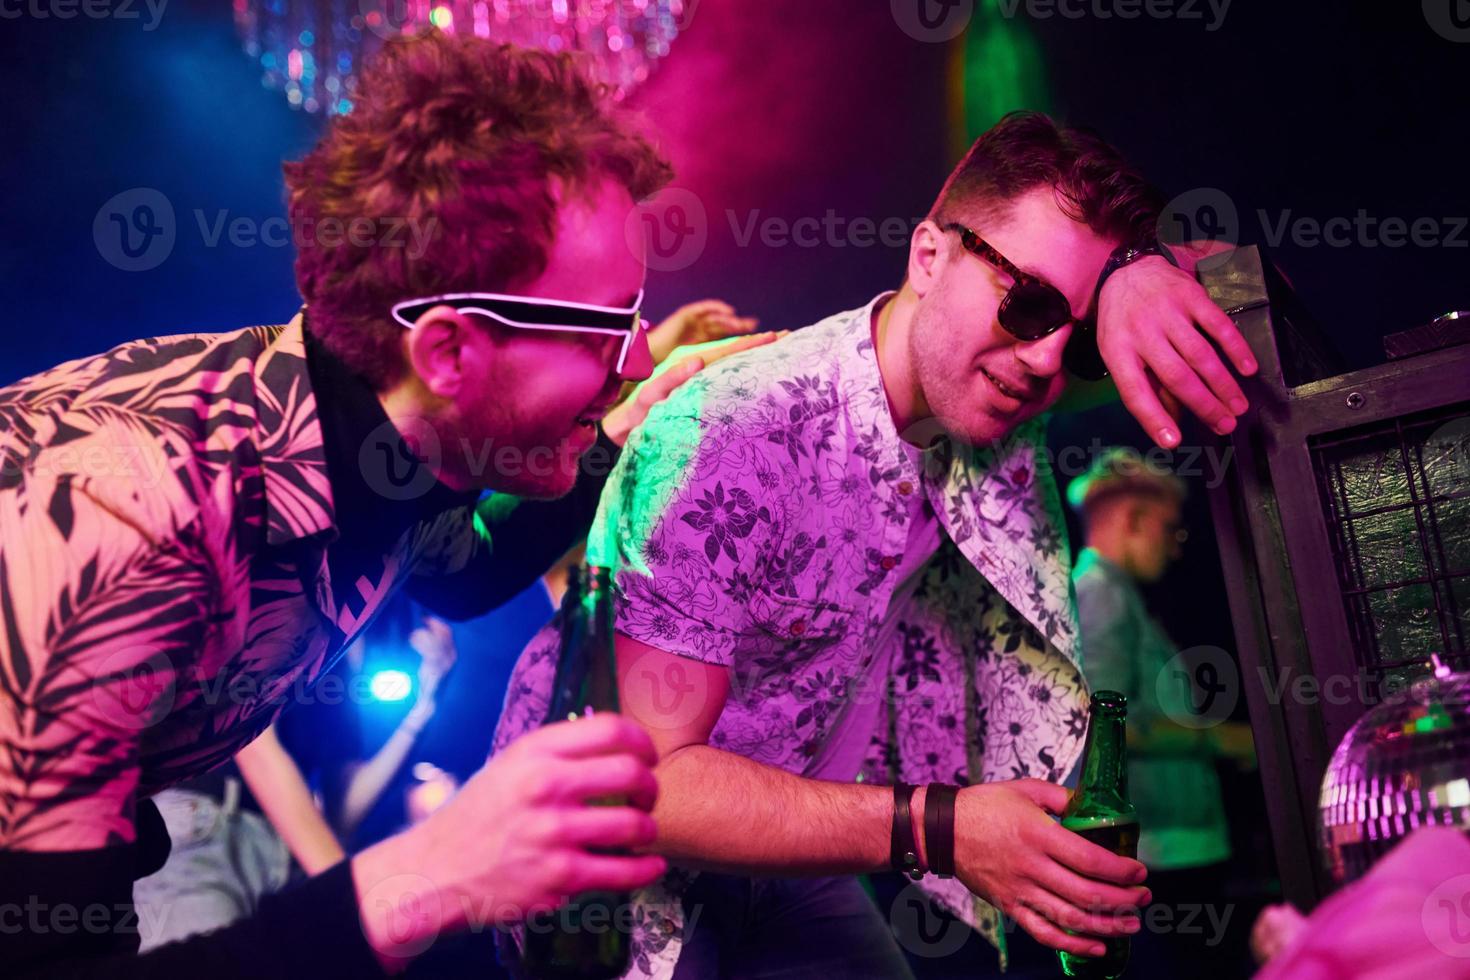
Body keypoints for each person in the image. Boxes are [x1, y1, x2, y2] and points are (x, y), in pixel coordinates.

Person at [0, 32, 774, 977]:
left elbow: (456, 569)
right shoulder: (118, 518)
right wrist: (433, 868)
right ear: (447, 352)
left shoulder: (371, 435)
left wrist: (623, 429)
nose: (640, 358)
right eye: (607, 329)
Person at [493, 110, 1262, 977]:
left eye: (1072, 336)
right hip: (607, 869)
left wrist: (1136, 272)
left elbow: (1210, 311)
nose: (1047, 359)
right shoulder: (741, 430)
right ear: (928, 256)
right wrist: (945, 827)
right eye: (1030, 302)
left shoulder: (992, 412)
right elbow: (650, 782)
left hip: (777, 845)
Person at [1068, 447, 1257, 977]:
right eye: (1170, 530)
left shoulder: (1114, 594)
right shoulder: (1101, 594)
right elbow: (1101, 725)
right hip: (1158, 853)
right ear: (1133, 519)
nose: (1175, 549)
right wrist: (1223, 740)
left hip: (1166, 849)